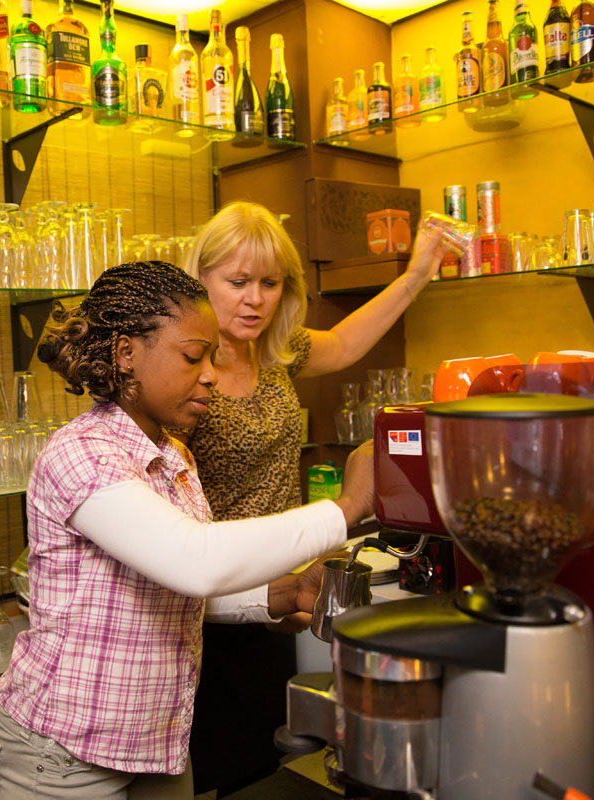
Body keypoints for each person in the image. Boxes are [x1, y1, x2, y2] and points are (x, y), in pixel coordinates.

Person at [0, 261, 375, 800]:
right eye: (194, 356)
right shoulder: (82, 454)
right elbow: (196, 560)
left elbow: (177, 585)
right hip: (62, 751)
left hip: (157, 737)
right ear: (126, 353)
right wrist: (347, 508)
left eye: (212, 357)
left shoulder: (174, 457)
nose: (211, 375)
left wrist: (282, 594)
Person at [181, 201, 446, 795]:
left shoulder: (275, 350)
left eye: (269, 283)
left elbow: (347, 342)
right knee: (216, 764)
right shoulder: (185, 366)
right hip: (213, 599)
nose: (255, 300)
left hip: (284, 586)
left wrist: (416, 274)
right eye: (238, 282)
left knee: (270, 757)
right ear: (200, 278)